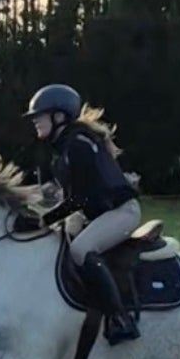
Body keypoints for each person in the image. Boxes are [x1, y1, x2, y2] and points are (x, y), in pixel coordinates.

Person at [13, 83, 141, 344]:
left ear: (59, 116)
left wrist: (42, 220)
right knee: (56, 245)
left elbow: (77, 199)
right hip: (96, 213)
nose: (35, 120)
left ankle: (120, 319)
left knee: (80, 250)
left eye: (40, 115)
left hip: (121, 212)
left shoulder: (78, 145)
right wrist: (43, 220)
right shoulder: (67, 147)